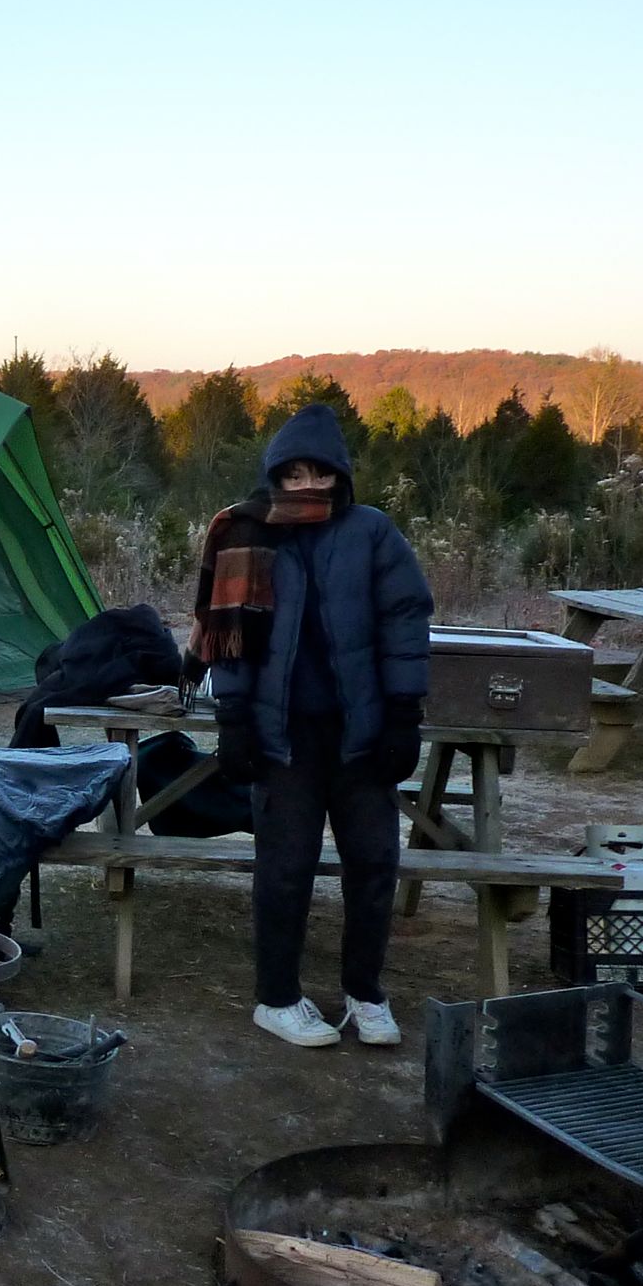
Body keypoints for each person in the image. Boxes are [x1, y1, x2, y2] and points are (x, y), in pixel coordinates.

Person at [185, 403, 433, 1048]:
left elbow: (405, 620)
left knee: (376, 863)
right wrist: (233, 716)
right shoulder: (247, 535)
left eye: (318, 472)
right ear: (274, 476)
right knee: (285, 869)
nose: (306, 486)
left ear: (340, 474)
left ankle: (366, 994)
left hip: (363, 733)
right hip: (282, 736)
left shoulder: (372, 532)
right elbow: (227, 636)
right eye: (292, 474)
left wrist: (404, 714)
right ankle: (277, 999)